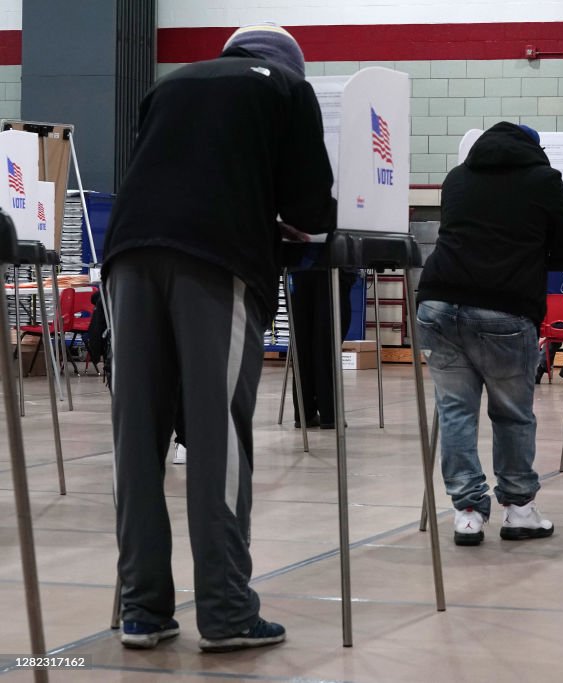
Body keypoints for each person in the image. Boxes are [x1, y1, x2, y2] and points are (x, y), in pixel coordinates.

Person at [103, 23, 335, 652]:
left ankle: (142, 611)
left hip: (127, 253)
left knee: (136, 433)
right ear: (292, 64)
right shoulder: (286, 88)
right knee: (217, 431)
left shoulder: (168, 86)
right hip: (217, 256)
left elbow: (155, 169)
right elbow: (314, 207)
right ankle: (228, 612)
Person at [417, 122, 563, 546]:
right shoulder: (543, 179)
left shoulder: (457, 178)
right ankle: (518, 509)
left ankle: (468, 513)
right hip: (504, 308)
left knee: (455, 411)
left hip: (437, 303)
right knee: (512, 413)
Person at [289, 269, 355, 429]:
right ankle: (330, 413)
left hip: (298, 262)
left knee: (302, 341)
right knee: (327, 340)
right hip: (330, 262)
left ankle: (305, 413)